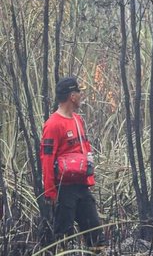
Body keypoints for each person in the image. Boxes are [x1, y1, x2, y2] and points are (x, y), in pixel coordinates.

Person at [40, 77, 105, 250]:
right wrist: (51, 193)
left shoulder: (78, 120)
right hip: (63, 191)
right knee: (62, 240)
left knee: (96, 236)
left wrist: (89, 179)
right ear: (72, 96)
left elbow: (85, 151)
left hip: (82, 188)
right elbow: (46, 160)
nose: (81, 95)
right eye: (79, 92)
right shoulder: (52, 125)